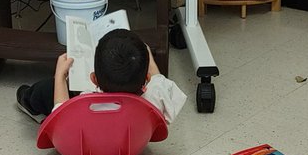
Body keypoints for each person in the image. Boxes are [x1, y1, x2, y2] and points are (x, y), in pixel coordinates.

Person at [16, 29, 187, 125]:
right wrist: (147, 55)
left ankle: (28, 100)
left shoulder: (82, 104)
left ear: (94, 79)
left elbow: (59, 118)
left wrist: (60, 76)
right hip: (132, 150)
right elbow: (158, 81)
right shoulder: (156, 98)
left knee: (48, 88)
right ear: (146, 80)